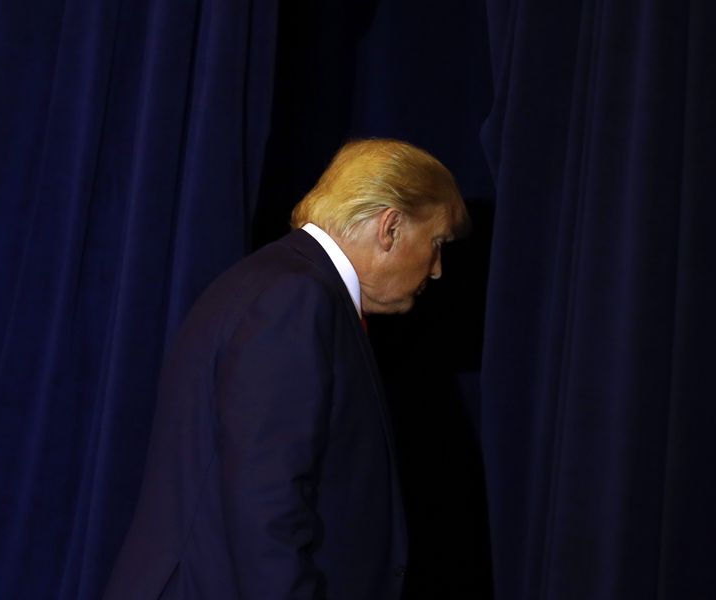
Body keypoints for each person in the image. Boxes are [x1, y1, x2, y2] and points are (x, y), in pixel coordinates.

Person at [104, 139, 470, 600]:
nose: (437, 269)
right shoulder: (296, 298)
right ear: (390, 227)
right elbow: (266, 503)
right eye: (436, 243)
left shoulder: (276, 281)